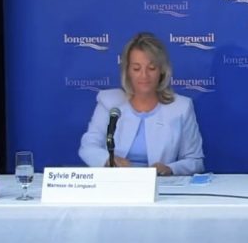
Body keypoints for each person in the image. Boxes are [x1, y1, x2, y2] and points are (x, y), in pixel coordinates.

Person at [79, 32, 204, 175]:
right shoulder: (109, 102)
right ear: (127, 71)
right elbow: (88, 147)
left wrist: (170, 169)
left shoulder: (181, 107)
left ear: (162, 71)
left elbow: (195, 161)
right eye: (136, 69)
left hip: (160, 185)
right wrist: (109, 160)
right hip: (116, 183)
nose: (144, 75)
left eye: (151, 68)